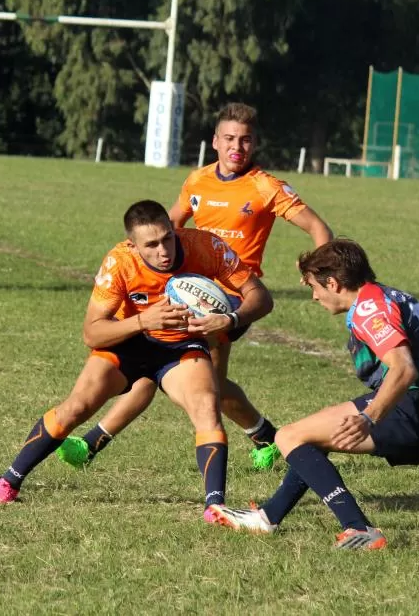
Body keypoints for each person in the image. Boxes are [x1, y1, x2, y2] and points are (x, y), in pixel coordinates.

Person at [57, 102, 333, 472]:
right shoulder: (197, 180)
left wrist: (317, 271)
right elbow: (167, 226)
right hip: (181, 288)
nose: (238, 147)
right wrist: (133, 258)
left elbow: (319, 229)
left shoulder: (266, 187)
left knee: (166, 371)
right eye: (230, 138)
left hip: (230, 297)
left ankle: (92, 443)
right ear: (215, 141)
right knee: (204, 385)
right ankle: (266, 435)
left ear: (256, 144)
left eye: (246, 140)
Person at [0, 200, 274, 521]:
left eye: (167, 238)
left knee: (207, 407)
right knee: (76, 408)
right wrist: (143, 322)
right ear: (133, 246)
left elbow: (260, 296)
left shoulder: (204, 246)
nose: (163, 250)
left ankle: (214, 506)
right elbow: (92, 334)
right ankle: (9, 481)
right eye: (151, 244)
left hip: (180, 347)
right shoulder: (119, 263)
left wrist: (231, 319)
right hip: (129, 342)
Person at [207, 239, 419, 549]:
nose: (314, 296)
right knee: (309, 434)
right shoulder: (388, 295)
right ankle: (267, 517)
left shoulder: (369, 309)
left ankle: (358, 527)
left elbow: (403, 369)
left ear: (334, 283)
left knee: (288, 437)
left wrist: (369, 416)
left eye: (315, 287)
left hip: (412, 410)